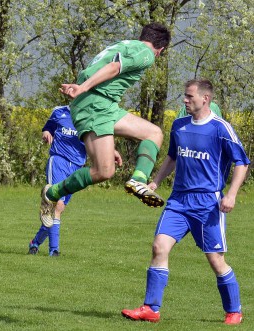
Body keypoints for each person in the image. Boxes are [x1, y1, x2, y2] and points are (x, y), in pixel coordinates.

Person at [121, 79, 249, 325]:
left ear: (205, 99)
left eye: (189, 96)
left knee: (215, 260)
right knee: (159, 246)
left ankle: (234, 311)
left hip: (207, 203)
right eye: (184, 96)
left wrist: (231, 194)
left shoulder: (221, 128)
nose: (185, 100)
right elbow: (172, 157)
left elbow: (242, 162)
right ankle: (151, 308)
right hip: (178, 201)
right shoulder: (179, 125)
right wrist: (155, 181)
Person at [40, 23, 171, 227]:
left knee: (153, 133)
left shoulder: (124, 45)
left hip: (105, 105)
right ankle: (52, 193)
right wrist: (82, 88)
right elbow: (113, 68)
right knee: (104, 171)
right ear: (160, 50)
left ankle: (138, 179)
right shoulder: (146, 53)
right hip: (95, 103)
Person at [28, 105, 88, 256]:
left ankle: (35, 242)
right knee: (57, 205)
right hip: (58, 161)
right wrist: (46, 133)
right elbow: (47, 128)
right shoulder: (60, 112)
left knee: (59, 209)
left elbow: (97, 141)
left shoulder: (90, 115)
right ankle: (54, 250)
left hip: (77, 167)